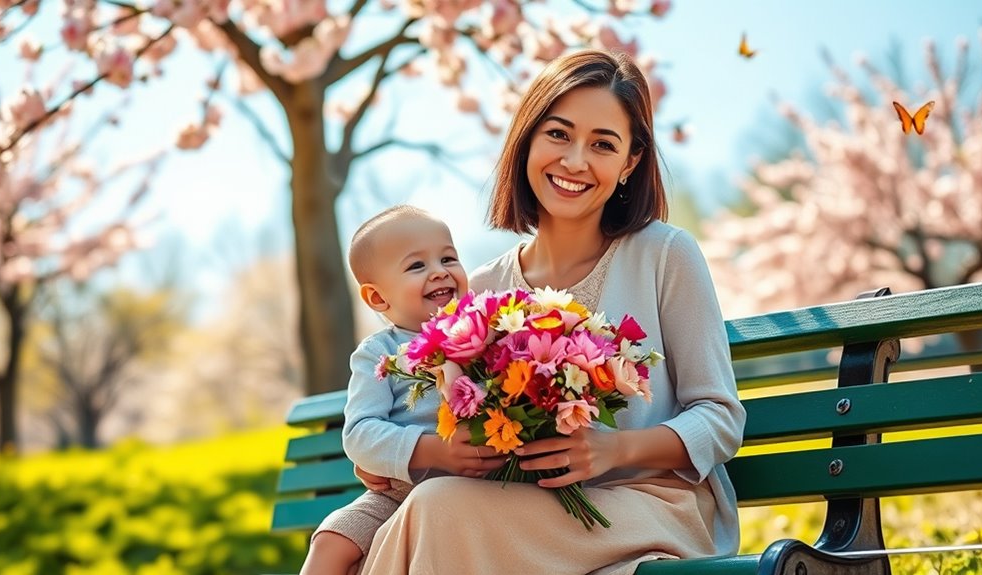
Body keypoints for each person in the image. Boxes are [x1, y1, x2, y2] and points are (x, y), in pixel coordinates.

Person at [358, 50, 746, 575]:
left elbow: (720, 420)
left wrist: (616, 449)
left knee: (437, 513)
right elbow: (453, 418)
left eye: (603, 144)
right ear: (527, 140)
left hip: (653, 510)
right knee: (432, 507)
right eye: (559, 134)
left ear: (630, 162)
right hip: (517, 511)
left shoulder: (664, 255)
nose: (575, 161)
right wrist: (393, 456)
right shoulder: (484, 288)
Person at [299, 205, 505, 575]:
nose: (440, 271)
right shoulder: (379, 354)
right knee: (332, 539)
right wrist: (433, 450)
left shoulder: (487, 333)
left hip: (487, 489)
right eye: (417, 266)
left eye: (448, 258)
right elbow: (360, 433)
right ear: (378, 298)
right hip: (397, 494)